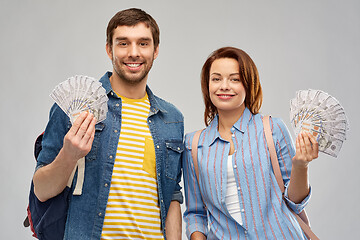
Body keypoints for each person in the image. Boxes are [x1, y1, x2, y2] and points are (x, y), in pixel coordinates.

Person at [32, 8, 184, 240]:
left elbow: (172, 195)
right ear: (108, 49)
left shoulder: (171, 118)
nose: (134, 53)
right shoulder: (76, 109)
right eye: (123, 43)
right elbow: (41, 190)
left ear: (156, 51)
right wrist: (69, 155)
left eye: (143, 44)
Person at [182, 47, 319, 239]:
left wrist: (301, 165)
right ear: (207, 85)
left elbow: (295, 202)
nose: (224, 86)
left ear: (248, 84)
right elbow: (196, 213)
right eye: (216, 78)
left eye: (234, 79)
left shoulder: (272, 129)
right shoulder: (193, 145)